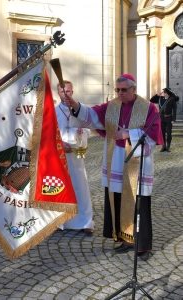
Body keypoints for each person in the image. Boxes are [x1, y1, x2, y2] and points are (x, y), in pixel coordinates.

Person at [63, 74, 163, 261]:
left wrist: (128, 133)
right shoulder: (112, 106)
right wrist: (75, 105)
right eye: (117, 90)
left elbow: (154, 131)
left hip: (137, 161)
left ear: (134, 89)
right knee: (117, 198)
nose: (120, 93)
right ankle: (125, 239)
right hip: (116, 160)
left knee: (139, 201)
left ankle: (142, 246)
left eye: (124, 90)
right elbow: (92, 115)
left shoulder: (148, 107)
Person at [55, 80, 94, 235]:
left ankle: (86, 221)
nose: (66, 95)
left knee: (80, 186)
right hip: (59, 156)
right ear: (58, 92)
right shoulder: (52, 112)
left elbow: (89, 129)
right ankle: (61, 222)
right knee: (60, 187)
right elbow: (48, 134)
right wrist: (60, 144)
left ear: (73, 92)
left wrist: (80, 135)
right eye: (62, 92)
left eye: (69, 92)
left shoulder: (81, 110)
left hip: (76, 154)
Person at [150, 88, 179, 152]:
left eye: (165, 93)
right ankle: (163, 146)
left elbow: (174, 110)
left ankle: (168, 146)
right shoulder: (161, 99)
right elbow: (151, 100)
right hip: (162, 118)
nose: (164, 94)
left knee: (169, 133)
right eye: (164, 93)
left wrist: (173, 119)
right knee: (162, 133)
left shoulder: (172, 100)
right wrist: (157, 95)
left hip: (169, 119)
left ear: (168, 93)